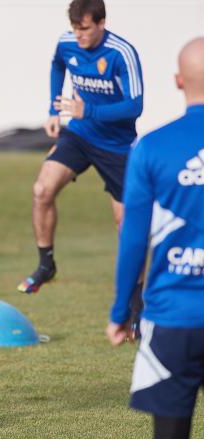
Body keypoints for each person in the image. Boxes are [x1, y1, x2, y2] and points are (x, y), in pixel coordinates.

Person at [107, 37, 204, 439]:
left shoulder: (151, 148)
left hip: (171, 318)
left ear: (178, 81)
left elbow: (133, 239)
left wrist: (120, 311)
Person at [18, 0, 144, 297]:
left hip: (117, 146)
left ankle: (136, 302)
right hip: (78, 135)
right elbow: (56, 65)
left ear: (101, 23)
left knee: (126, 222)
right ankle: (46, 264)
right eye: (75, 28)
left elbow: (136, 106)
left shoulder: (121, 53)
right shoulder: (67, 42)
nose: (79, 35)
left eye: (85, 29)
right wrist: (53, 108)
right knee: (41, 190)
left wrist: (87, 110)